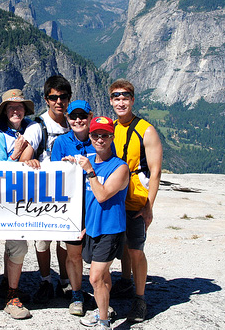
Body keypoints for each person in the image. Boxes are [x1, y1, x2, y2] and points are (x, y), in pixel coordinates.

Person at [108, 79, 163, 323]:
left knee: (136, 249)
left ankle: (140, 299)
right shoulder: (111, 127)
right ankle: (125, 282)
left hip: (136, 197)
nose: (121, 102)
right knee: (122, 245)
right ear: (111, 101)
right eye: (116, 98)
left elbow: (155, 170)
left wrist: (149, 206)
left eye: (125, 98)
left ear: (132, 100)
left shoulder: (146, 130)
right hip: (115, 196)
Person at [71, 116, 129, 330]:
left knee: (95, 278)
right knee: (103, 276)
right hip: (93, 228)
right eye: (95, 135)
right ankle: (102, 308)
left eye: (105, 135)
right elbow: (88, 200)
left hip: (111, 230)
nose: (100, 140)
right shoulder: (88, 160)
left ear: (112, 137)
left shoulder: (120, 167)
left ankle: (104, 321)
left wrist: (89, 171)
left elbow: (103, 195)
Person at [20, 75, 72, 303]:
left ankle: (64, 281)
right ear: (46, 99)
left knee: (64, 241)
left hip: (67, 193)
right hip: (42, 194)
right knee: (43, 240)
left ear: (68, 99)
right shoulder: (37, 126)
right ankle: (45, 281)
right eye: (54, 97)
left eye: (62, 97)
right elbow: (24, 159)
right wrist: (30, 162)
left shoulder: (73, 124)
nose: (58, 102)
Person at [0, 89, 35, 320]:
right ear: (5, 112)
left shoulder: (32, 132)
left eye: (20, 107)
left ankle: (8, 287)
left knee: (16, 246)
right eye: (11, 107)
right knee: (16, 246)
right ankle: (10, 295)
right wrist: (15, 154)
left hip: (23, 200)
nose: (16, 111)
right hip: (3, 202)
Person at [50, 100, 95, 317]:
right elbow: (53, 176)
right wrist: (64, 167)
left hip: (96, 206)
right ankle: (77, 294)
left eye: (83, 116)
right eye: (73, 116)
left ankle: (100, 294)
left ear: (90, 117)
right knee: (74, 254)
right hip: (73, 208)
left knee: (99, 256)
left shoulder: (100, 138)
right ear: (67, 118)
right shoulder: (60, 143)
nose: (78, 120)